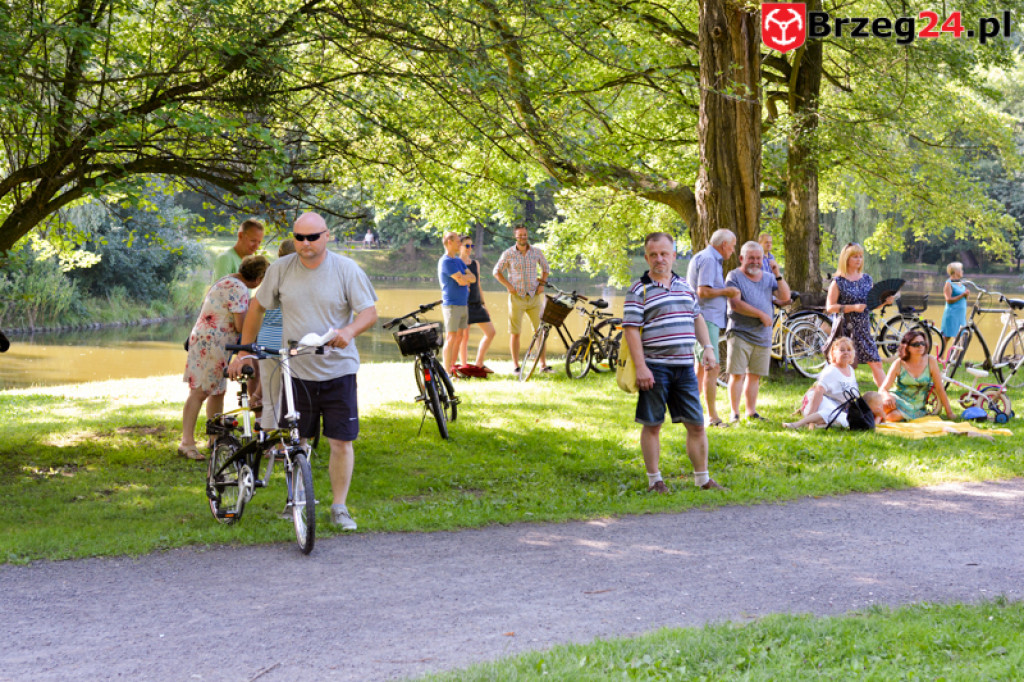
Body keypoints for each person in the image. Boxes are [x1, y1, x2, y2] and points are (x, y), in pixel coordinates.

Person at [228, 212, 378, 530]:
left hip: (338, 369)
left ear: (326, 236)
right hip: (295, 371)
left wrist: (349, 331)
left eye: (312, 237)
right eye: (299, 237)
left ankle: (339, 507)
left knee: (340, 441)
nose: (305, 244)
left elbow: (369, 311)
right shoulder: (281, 269)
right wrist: (244, 350)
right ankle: (295, 499)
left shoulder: (346, 269)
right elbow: (257, 307)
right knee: (297, 441)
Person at [623, 232, 725, 494]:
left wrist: (708, 349)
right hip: (655, 368)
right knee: (653, 424)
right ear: (646, 257)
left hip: (685, 367)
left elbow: (697, 318)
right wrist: (642, 366)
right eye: (654, 254)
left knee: (697, 424)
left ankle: (703, 479)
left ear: (673, 255)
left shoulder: (685, 287)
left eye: (664, 253)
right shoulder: (639, 290)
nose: (659, 259)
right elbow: (631, 331)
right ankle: (655, 481)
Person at [180, 255, 270, 461]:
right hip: (211, 344)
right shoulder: (238, 288)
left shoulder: (226, 280)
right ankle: (187, 443)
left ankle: (215, 439)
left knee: (217, 391)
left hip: (213, 343)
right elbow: (241, 325)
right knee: (200, 392)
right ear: (257, 279)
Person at [724, 241, 790, 422]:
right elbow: (735, 304)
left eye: (758, 258)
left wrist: (777, 274)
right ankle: (734, 413)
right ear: (741, 258)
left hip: (762, 335)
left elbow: (785, 297)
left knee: (755, 376)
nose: (755, 261)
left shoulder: (769, 277)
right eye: (751, 258)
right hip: (740, 332)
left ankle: (751, 412)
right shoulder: (734, 276)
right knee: (737, 374)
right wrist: (761, 314)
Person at [685, 229, 739, 426]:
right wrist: (728, 291)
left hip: (708, 319)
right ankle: (712, 417)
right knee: (712, 367)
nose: (732, 251)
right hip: (705, 319)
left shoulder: (709, 258)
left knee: (701, 368)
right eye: (732, 246)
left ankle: (691, 411)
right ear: (724, 245)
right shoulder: (709, 259)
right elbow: (703, 291)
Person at [825, 242, 894, 388]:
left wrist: (885, 302)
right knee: (841, 365)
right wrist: (853, 307)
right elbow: (830, 307)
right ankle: (833, 395)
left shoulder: (867, 279)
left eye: (861, 257)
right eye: (855, 257)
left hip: (863, 328)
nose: (859, 260)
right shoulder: (838, 281)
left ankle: (887, 398)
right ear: (846, 259)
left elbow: (870, 304)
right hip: (846, 329)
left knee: (876, 362)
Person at [493, 225, 551, 374]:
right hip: (516, 297)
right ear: (515, 237)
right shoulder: (509, 253)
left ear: (527, 236)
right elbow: (496, 272)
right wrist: (508, 285)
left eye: (525, 235)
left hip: (534, 297)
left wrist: (542, 284)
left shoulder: (536, 252)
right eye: (520, 235)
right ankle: (516, 367)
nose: (523, 237)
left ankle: (543, 365)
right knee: (515, 333)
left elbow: (546, 268)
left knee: (541, 331)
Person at [255, 238, 296, 433]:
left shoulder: (271, 275)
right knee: (290, 396)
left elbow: (258, 308)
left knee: (270, 399)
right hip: (287, 342)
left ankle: (269, 443)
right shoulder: (299, 277)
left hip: (266, 341)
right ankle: (287, 443)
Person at [784, 337, 859, 429]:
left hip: (837, 406)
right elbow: (818, 392)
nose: (846, 352)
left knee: (846, 421)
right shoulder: (831, 371)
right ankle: (799, 424)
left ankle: (817, 426)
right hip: (819, 401)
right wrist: (810, 414)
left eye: (849, 350)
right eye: (842, 350)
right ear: (834, 353)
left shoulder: (851, 370)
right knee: (829, 412)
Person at [879, 329, 953, 422]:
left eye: (923, 343)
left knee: (892, 416)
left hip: (915, 406)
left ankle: (877, 420)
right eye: (916, 344)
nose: (920, 346)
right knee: (883, 406)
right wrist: (887, 396)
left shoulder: (931, 361)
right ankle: (873, 423)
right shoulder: (899, 363)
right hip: (897, 399)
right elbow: (882, 389)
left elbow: (939, 389)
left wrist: (949, 413)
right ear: (907, 347)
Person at [438, 231, 476, 375]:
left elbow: (472, 278)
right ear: (449, 242)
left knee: (460, 337)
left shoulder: (458, 261)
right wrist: (465, 278)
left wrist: (464, 278)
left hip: (462, 303)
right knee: (451, 337)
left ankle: (452, 368)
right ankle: (447, 371)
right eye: (458, 241)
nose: (460, 244)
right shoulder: (446, 262)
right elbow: (462, 280)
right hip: (452, 305)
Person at [457, 234, 496, 373]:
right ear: (459, 246)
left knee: (491, 332)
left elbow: (478, 284)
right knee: (464, 337)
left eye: (471, 246)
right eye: (466, 245)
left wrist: (484, 304)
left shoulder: (475, 264)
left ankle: (479, 363)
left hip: (477, 304)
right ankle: (464, 366)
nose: (469, 248)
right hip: (463, 304)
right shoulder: (456, 263)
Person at [941, 261, 969, 353]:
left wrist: (966, 295)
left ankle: (953, 358)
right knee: (947, 336)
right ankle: (941, 356)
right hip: (952, 313)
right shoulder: (948, 283)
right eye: (961, 269)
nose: (963, 271)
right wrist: (963, 295)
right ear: (956, 271)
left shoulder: (960, 283)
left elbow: (963, 297)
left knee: (960, 336)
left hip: (960, 314)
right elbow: (948, 299)